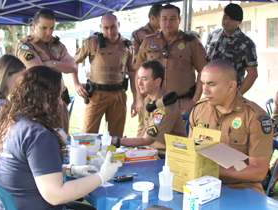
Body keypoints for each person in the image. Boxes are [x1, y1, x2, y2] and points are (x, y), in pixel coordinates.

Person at [0, 66, 122, 210]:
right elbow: (56, 195)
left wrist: (70, 169)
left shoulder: (11, 123)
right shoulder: (38, 135)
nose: (61, 102)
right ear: (44, 97)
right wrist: (102, 176)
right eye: (57, 95)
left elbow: (28, 168)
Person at [189, 59, 273, 194]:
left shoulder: (254, 117)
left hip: (241, 188)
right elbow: (191, 149)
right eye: (203, 83)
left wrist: (214, 169)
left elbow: (259, 172)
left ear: (231, 86)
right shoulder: (199, 109)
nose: (205, 90)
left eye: (212, 84)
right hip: (202, 184)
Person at [134, 4, 208, 117]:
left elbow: (204, 71)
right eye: (164, 18)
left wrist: (194, 101)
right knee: (147, 134)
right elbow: (138, 71)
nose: (168, 22)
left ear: (179, 20)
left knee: (178, 135)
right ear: (159, 20)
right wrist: (139, 99)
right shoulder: (148, 42)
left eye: (172, 18)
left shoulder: (191, 42)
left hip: (181, 103)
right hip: (151, 103)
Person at [73, 13, 136, 138]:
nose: (110, 31)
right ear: (100, 27)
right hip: (97, 95)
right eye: (105, 28)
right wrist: (76, 84)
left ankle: (111, 157)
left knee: (116, 138)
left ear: (118, 25)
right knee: (87, 136)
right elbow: (72, 62)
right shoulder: (93, 42)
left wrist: (136, 99)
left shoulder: (127, 45)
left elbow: (133, 73)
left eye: (113, 27)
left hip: (118, 95)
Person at [16, 8, 77, 133]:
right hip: (39, 106)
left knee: (63, 142)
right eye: (44, 28)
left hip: (59, 103)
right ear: (34, 26)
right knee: (44, 143)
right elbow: (39, 71)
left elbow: (72, 66)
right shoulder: (27, 46)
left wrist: (51, 63)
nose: (48, 32)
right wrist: (59, 64)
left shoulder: (56, 45)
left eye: (52, 28)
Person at [110, 60, 186, 158]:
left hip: (166, 156)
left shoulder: (165, 108)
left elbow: (147, 140)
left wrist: (116, 141)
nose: (139, 83)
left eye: (144, 79)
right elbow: (145, 128)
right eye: (138, 78)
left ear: (158, 81)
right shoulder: (147, 100)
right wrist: (134, 150)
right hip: (150, 151)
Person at [205, 3, 258, 95]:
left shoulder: (245, 43)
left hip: (228, 95)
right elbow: (204, 60)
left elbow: (253, 74)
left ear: (239, 22)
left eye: (231, 19)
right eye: (225, 17)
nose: (226, 21)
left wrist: (237, 96)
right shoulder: (213, 35)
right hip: (209, 92)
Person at [131, 3, 162, 137]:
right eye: (162, 17)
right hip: (147, 91)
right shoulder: (139, 35)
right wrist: (139, 98)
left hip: (163, 91)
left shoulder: (166, 35)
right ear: (153, 18)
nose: (165, 21)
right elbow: (136, 68)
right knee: (144, 127)